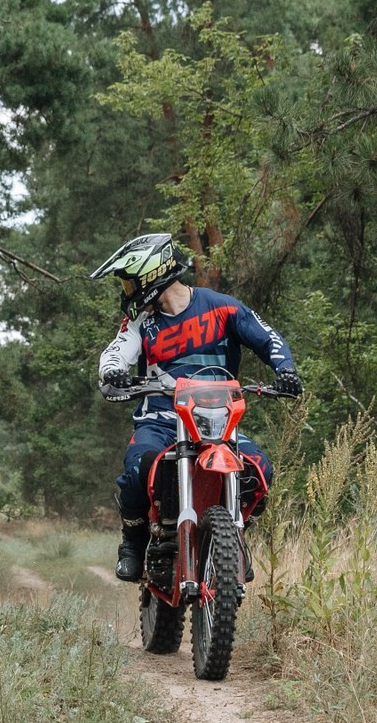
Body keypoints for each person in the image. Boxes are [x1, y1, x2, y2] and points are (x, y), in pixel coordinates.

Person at [90, 233, 301, 582]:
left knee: (260, 469)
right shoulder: (141, 321)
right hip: (160, 421)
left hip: (217, 422)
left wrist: (286, 370)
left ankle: (233, 537)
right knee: (138, 468)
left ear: (150, 274)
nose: (127, 292)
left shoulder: (222, 306)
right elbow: (117, 350)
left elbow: (267, 337)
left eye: (129, 283)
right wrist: (113, 372)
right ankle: (133, 540)